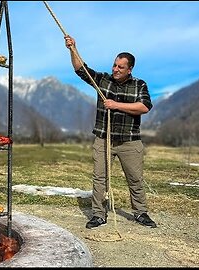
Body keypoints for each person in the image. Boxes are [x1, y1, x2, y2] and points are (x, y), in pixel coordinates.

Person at [64, 35, 157, 229]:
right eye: (114, 65)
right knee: (99, 179)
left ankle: (140, 213)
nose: (115, 69)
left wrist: (115, 105)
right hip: (103, 139)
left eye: (120, 67)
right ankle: (98, 215)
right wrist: (73, 49)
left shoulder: (139, 85)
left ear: (129, 69)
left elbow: (145, 107)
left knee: (135, 179)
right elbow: (81, 70)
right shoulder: (103, 80)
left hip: (129, 141)